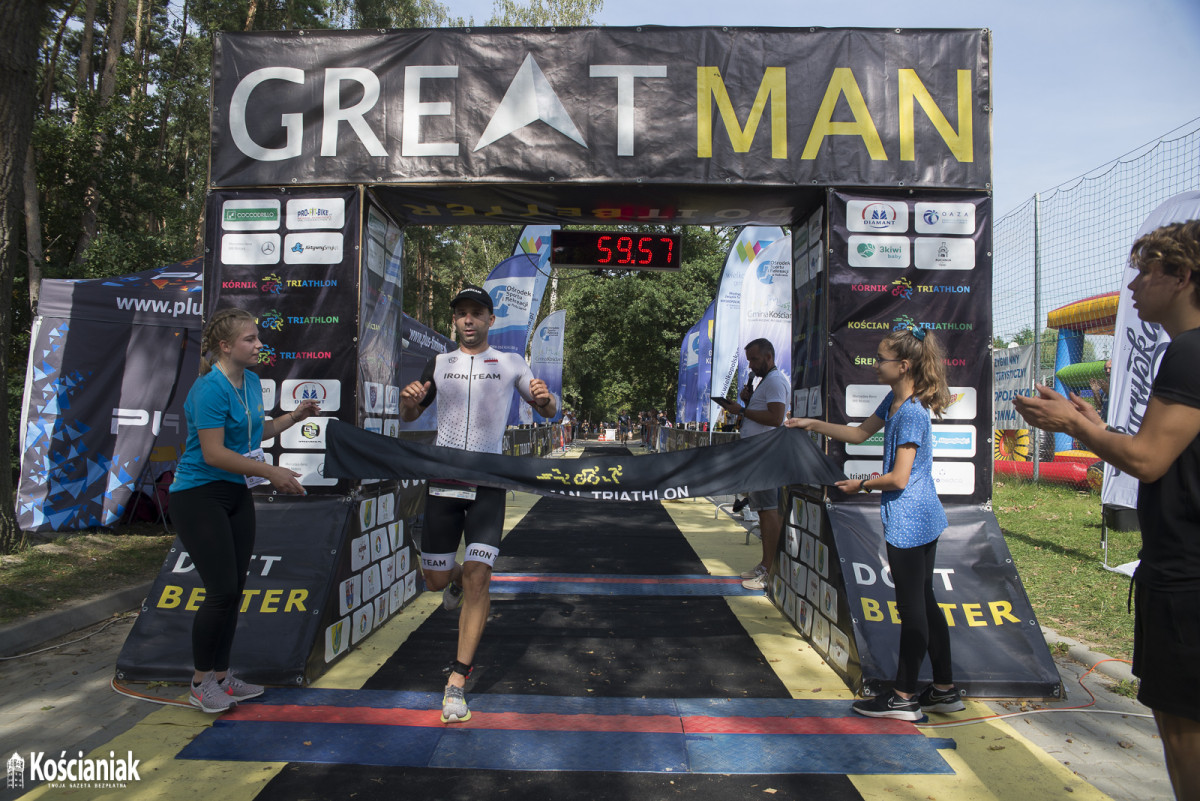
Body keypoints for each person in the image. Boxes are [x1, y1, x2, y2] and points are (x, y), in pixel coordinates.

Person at [1014, 221, 1200, 800]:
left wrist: (1074, 427)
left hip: (1186, 575)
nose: (1136, 285)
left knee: (1183, 729)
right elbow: (1168, 451)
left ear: (1182, 275)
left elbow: (1146, 461)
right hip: (1182, 567)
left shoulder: (1190, 351)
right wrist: (1094, 427)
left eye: (1147, 269)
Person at [785, 325, 965, 721]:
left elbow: (899, 478)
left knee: (912, 607)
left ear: (903, 366)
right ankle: (945, 689)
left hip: (910, 517)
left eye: (880, 359)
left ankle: (903, 696)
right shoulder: (894, 402)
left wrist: (861, 484)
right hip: (917, 513)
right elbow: (858, 433)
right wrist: (811, 425)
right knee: (925, 601)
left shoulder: (913, 413)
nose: (874, 365)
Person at [399, 285, 557, 724]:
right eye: (461, 314)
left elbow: (547, 409)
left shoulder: (510, 362)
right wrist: (409, 403)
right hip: (443, 481)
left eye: (476, 314)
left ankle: (456, 681)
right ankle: (450, 580)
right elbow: (411, 413)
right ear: (455, 321)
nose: (468, 320)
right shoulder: (440, 363)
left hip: (487, 483)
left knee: (479, 577)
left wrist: (545, 399)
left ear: (489, 320)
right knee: (434, 580)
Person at [170, 308, 320, 713]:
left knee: (234, 591)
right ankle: (201, 683)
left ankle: (222, 677)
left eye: (257, 338)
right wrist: (270, 471)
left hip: (235, 494)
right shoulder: (208, 389)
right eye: (250, 339)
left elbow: (258, 433)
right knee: (220, 591)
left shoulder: (251, 381)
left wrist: (295, 416)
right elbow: (215, 453)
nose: (258, 345)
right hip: (199, 495)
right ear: (225, 346)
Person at [713, 338, 789, 591]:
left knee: (769, 512)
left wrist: (742, 411)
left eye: (755, 360)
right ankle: (765, 564)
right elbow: (763, 416)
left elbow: (776, 418)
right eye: (748, 361)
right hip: (758, 454)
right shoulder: (765, 382)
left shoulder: (776, 381)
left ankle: (770, 570)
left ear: (769, 357)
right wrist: (746, 403)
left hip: (766, 454)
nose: (751, 366)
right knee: (763, 511)